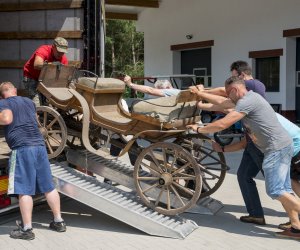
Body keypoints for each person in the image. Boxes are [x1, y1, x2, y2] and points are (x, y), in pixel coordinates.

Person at [187, 76, 300, 240]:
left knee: (275, 190)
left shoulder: (247, 101)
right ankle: (297, 228)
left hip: (275, 148)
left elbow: (222, 124)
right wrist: (201, 96)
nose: (227, 97)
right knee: (284, 189)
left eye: (228, 93)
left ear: (234, 90)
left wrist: (199, 129)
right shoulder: (249, 98)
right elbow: (222, 103)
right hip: (281, 146)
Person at [192, 61, 267, 225]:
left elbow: (223, 103)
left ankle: (294, 220)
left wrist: (202, 91)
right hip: (252, 138)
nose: (230, 83)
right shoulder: (249, 92)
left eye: (233, 77)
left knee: (277, 184)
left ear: (241, 76)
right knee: (244, 176)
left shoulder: (250, 86)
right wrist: (201, 102)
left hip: (261, 141)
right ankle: (256, 214)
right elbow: (224, 104)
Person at [0, 82, 66, 240]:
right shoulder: (28, 101)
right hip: (39, 146)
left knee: (24, 190)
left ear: (2, 94)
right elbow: (36, 119)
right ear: (15, 91)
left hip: (22, 149)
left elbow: (7, 119)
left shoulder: (3, 103)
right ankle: (59, 221)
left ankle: (27, 229)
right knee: (48, 187)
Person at [23, 37, 69, 106]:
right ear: (53, 47)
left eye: (62, 53)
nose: (60, 54)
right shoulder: (43, 50)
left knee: (48, 103)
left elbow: (64, 75)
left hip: (45, 80)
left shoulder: (63, 59)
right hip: (31, 77)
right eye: (59, 51)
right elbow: (37, 65)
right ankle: (35, 115)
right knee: (36, 102)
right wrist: (52, 65)